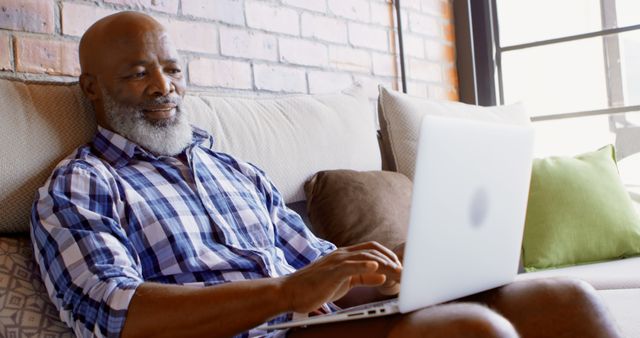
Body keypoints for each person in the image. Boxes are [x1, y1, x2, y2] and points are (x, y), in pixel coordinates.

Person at [30, 11, 621, 338]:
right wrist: (287, 293)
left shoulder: (233, 169)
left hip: (321, 325)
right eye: (138, 73)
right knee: (470, 332)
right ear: (92, 86)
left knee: (565, 298)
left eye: (172, 69)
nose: (164, 87)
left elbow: (318, 268)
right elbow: (116, 312)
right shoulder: (82, 185)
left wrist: (389, 273)